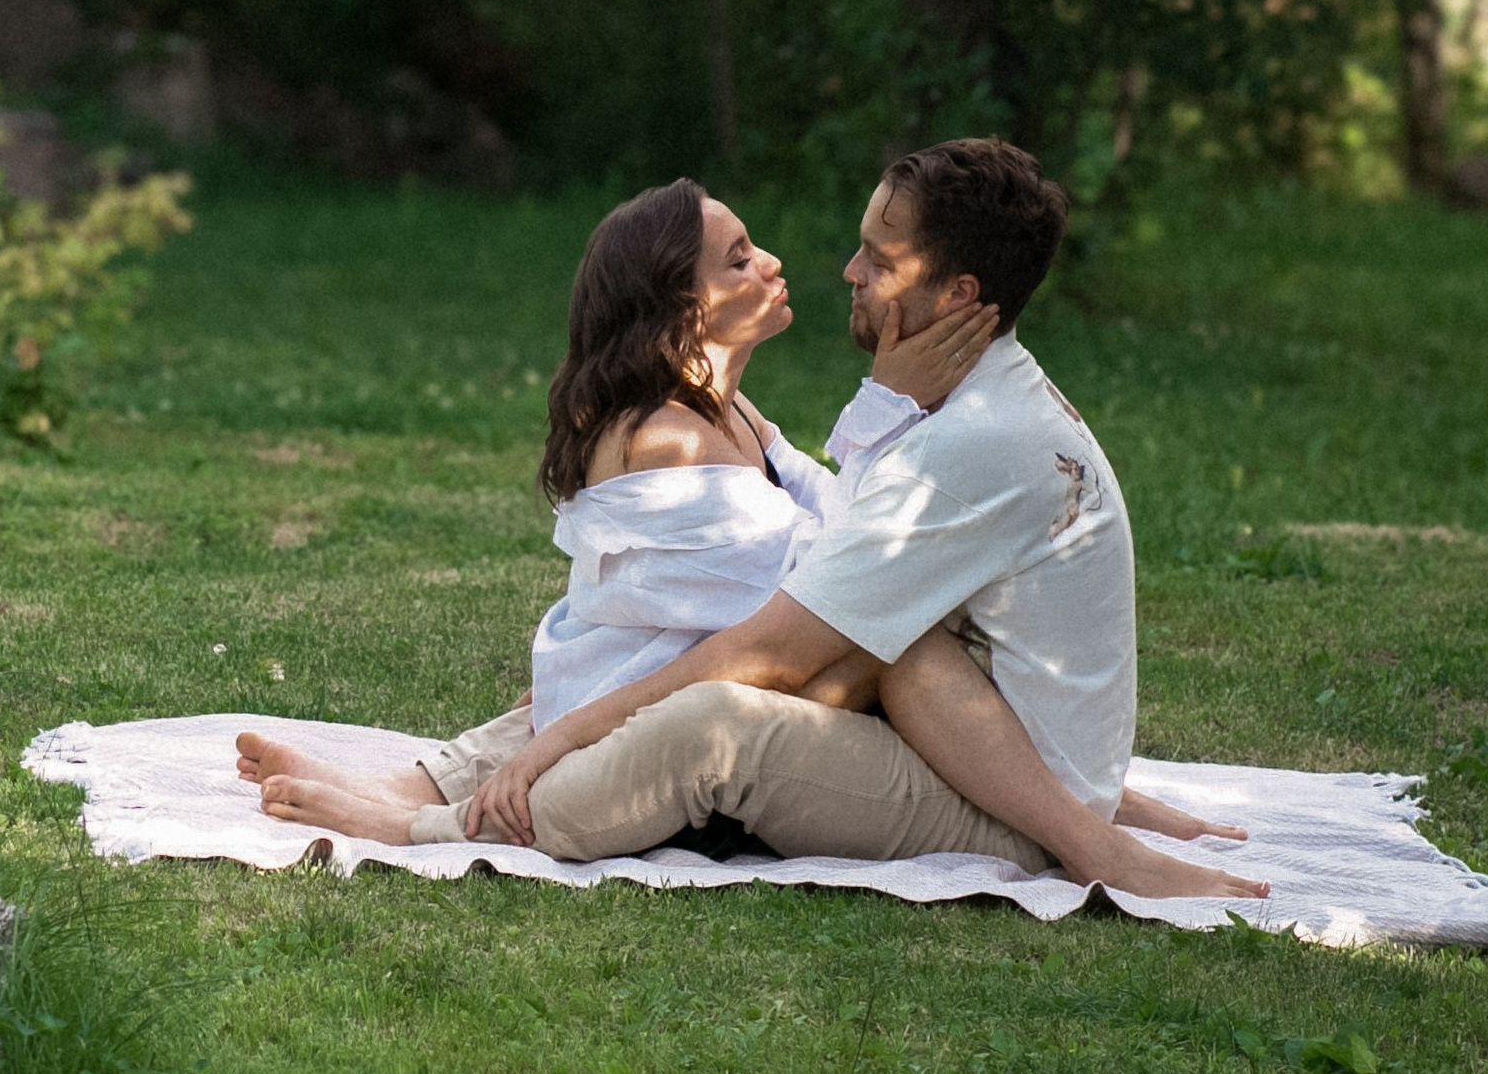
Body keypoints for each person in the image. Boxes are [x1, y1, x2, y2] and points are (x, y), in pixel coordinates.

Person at [241, 156, 1263, 903]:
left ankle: (433, 823)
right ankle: (434, 779)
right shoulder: (964, 408)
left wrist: (1101, 807)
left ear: (957, 296)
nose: (843, 270)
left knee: (704, 723)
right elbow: (821, 579)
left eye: (877, 256)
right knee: (648, 677)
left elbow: (775, 641)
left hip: (1001, 797)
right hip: (955, 732)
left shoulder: (965, 444)